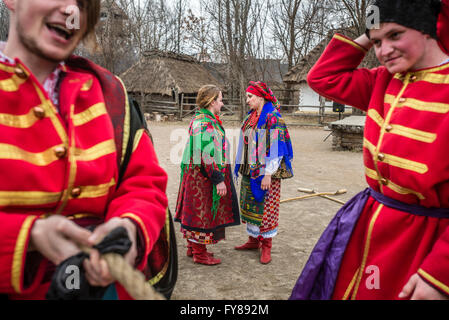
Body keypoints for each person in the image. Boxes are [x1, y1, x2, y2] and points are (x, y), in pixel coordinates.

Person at [0, 0, 169, 299]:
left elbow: (144, 184)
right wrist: (27, 237)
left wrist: (128, 227)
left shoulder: (110, 94)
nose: (72, 11)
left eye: (83, 3)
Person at [290, 0, 449, 300]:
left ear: (427, 29)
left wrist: (440, 275)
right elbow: (322, 78)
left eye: (395, 35)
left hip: (425, 244)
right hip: (369, 227)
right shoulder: (383, 81)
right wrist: (373, 28)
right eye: (377, 42)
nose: (384, 50)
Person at [175, 85, 240, 265]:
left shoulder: (204, 119)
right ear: (212, 102)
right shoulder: (205, 123)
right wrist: (218, 180)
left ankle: (193, 247)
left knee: (195, 211)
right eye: (220, 99)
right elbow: (204, 154)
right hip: (202, 177)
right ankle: (199, 253)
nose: (222, 102)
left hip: (197, 175)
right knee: (200, 213)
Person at [234, 81, 293, 264]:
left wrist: (267, 174)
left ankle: (266, 245)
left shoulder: (273, 117)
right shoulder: (251, 116)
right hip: (250, 169)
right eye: (247, 97)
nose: (247, 100)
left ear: (260, 97)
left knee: (266, 209)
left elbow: (276, 148)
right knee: (251, 205)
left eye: (250, 97)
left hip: (266, 172)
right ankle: (253, 240)